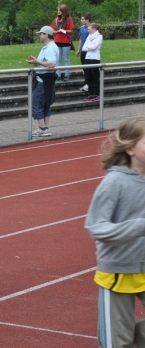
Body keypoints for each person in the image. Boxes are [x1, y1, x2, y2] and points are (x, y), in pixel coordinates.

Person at [85, 116, 145, 348]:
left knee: (124, 339)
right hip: (118, 272)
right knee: (116, 344)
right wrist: (139, 226)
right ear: (130, 148)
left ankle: (129, 337)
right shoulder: (115, 182)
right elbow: (95, 226)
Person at [26, 26, 59, 137]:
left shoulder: (50, 48)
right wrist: (35, 62)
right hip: (45, 79)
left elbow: (51, 64)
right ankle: (44, 128)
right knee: (45, 104)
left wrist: (37, 61)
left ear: (46, 35)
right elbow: (45, 63)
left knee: (37, 103)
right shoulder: (48, 47)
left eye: (40, 34)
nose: (39, 36)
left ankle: (43, 128)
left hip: (43, 80)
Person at [50, 4, 75, 82]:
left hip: (66, 41)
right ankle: (58, 75)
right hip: (57, 41)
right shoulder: (55, 20)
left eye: (60, 11)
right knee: (58, 59)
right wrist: (57, 31)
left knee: (66, 59)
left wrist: (64, 31)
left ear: (64, 11)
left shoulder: (69, 19)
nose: (58, 12)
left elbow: (71, 30)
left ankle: (67, 75)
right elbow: (52, 30)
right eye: (58, 10)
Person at [82, 23, 103, 103]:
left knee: (95, 77)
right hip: (87, 58)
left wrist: (89, 46)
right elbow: (84, 48)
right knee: (88, 77)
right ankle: (91, 93)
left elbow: (94, 48)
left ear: (94, 29)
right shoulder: (89, 37)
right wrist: (90, 46)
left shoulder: (99, 36)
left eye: (89, 29)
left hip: (94, 59)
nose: (88, 30)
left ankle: (97, 94)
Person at [76, 12, 92, 92]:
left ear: (87, 19)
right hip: (83, 50)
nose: (81, 20)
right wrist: (78, 49)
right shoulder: (81, 28)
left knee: (88, 68)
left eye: (82, 19)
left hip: (89, 51)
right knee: (84, 68)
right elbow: (80, 39)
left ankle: (89, 84)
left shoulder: (92, 28)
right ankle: (87, 84)